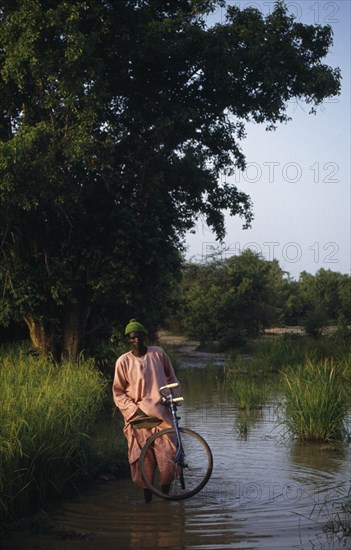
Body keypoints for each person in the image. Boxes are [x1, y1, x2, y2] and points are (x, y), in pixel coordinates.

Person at [112, 319, 181, 503]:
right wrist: (134, 411)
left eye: (139, 336)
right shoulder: (123, 362)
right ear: (128, 340)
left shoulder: (158, 354)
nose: (137, 341)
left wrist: (174, 400)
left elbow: (171, 376)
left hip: (162, 414)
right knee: (144, 461)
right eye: (132, 338)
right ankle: (148, 499)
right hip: (139, 419)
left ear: (145, 336)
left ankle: (165, 495)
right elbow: (118, 392)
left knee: (169, 457)